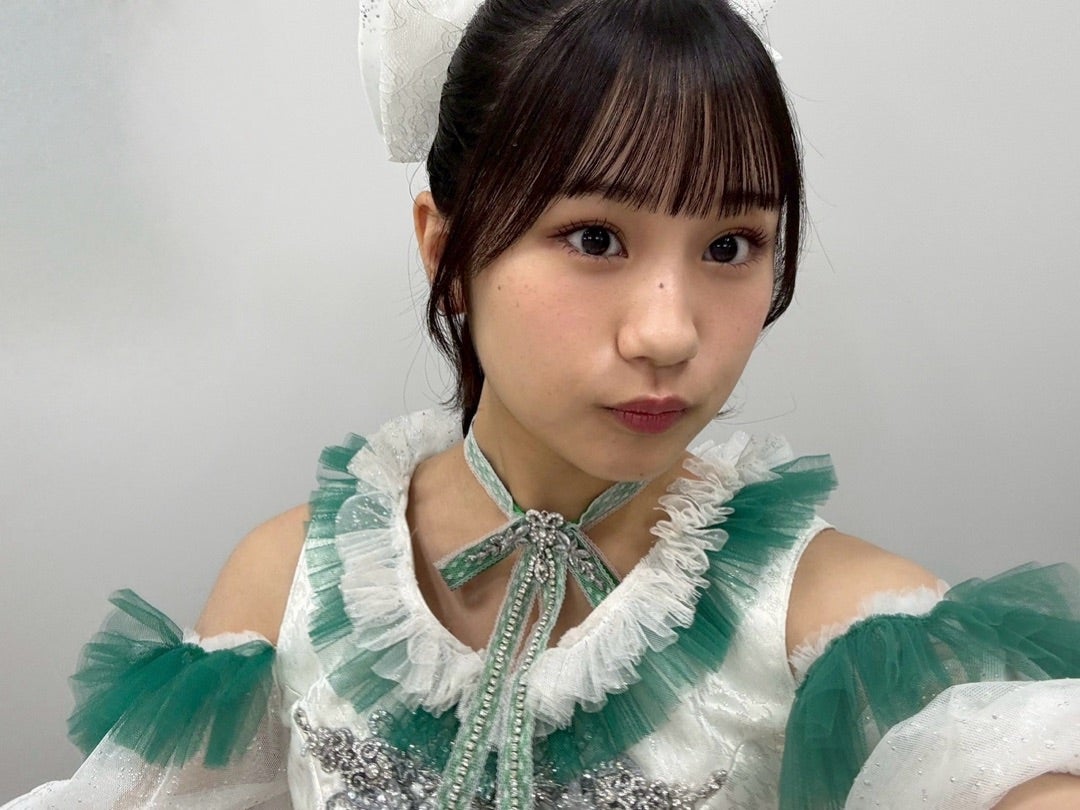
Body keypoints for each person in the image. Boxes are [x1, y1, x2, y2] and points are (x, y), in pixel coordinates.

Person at [4, 0, 1080, 807]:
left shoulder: (837, 627)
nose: (668, 331)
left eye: (730, 246)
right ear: (447, 249)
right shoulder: (290, 587)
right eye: (596, 237)